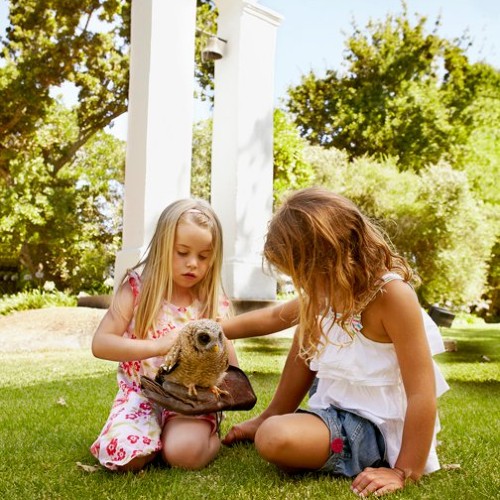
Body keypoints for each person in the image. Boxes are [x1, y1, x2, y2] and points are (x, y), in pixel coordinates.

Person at [220, 187, 449, 497]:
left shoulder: (393, 297)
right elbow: (273, 318)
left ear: (330, 258)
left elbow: (422, 393)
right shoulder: (325, 293)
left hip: (373, 425)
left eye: (303, 273)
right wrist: (212, 329)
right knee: (309, 323)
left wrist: (403, 470)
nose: (301, 283)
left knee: (274, 439)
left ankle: (281, 427)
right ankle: (271, 415)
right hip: (335, 405)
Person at [90, 199, 238, 472]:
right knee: (126, 458)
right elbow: (101, 344)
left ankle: (201, 435)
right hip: (142, 395)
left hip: (190, 400)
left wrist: (226, 392)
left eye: (204, 256)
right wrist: (157, 346)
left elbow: (227, 358)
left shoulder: (210, 301)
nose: (193, 263)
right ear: (162, 247)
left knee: (184, 455)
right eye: (182, 252)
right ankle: (151, 439)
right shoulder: (136, 290)